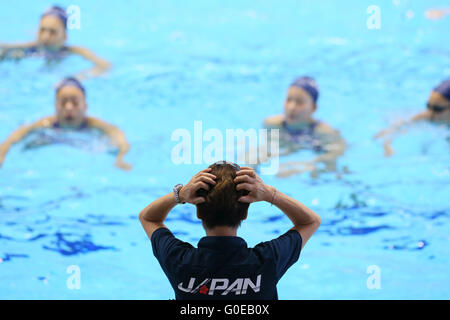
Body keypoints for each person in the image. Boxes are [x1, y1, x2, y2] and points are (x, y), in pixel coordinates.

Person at [139, 161, 321, 300]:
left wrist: (179, 195)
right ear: (245, 213)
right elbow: (310, 221)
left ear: (198, 212)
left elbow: (148, 218)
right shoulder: (268, 260)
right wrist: (269, 193)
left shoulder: (179, 261)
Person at [0, 77, 131, 170]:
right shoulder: (46, 124)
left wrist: (120, 158)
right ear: (55, 106)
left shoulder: (94, 125)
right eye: (63, 102)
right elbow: (15, 137)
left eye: (75, 103)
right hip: (52, 138)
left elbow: (118, 137)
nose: (68, 107)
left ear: (85, 106)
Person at [262, 76, 346, 177]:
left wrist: (300, 166)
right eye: (289, 100)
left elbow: (336, 154)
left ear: (314, 108)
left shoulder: (324, 132)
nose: (291, 107)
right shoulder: (272, 124)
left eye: (299, 102)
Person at [0, 6, 110, 79]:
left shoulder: (74, 51)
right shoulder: (30, 47)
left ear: (64, 37)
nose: (45, 36)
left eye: (52, 32)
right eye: (42, 30)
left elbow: (104, 65)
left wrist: (79, 77)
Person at [375, 79, 450, 157]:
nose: (429, 113)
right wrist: (387, 146)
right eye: (428, 106)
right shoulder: (429, 115)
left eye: (437, 109)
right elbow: (394, 129)